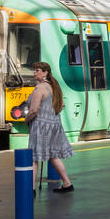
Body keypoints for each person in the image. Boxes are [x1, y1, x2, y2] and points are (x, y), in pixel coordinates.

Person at [24, 61, 73, 192]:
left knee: (34, 157)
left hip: (41, 127)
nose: (35, 73)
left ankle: (31, 188)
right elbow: (61, 105)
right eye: (34, 70)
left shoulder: (40, 88)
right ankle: (67, 183)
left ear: (45, 72)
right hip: (55, 125)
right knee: (53, 155)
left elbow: (34, 110)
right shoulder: (54, 86)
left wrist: (26, 120)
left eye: (37, 70)